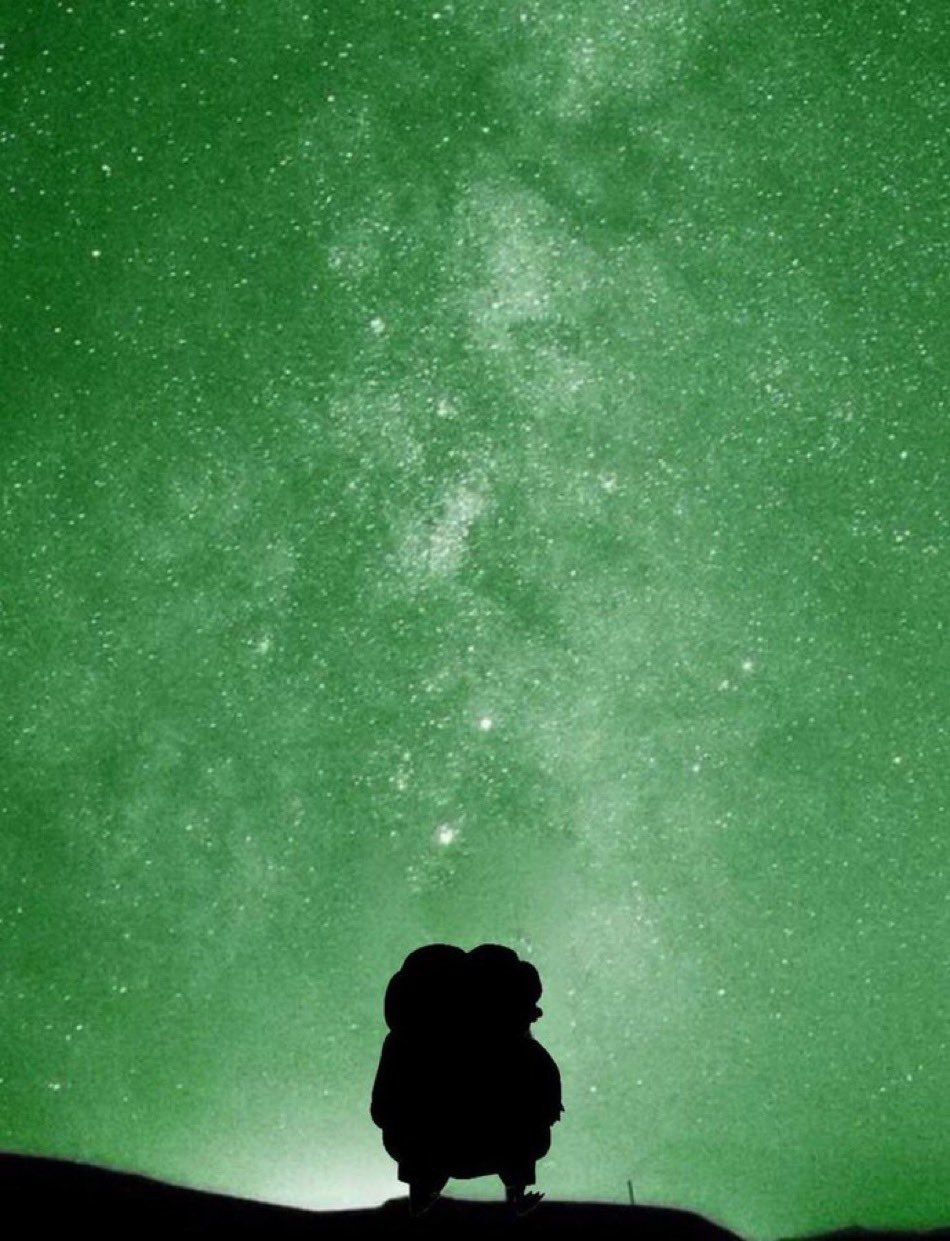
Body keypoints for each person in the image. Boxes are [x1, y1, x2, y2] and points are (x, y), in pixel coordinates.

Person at [370, 943, 564, 1216]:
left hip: (435, 1141)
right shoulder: (522, 1049)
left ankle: (422, 1202)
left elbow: (383, 1104)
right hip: (486, 1139)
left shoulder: (404, 1046)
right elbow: (546, 1095)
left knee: (425, 1169)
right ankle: (513, 1198)